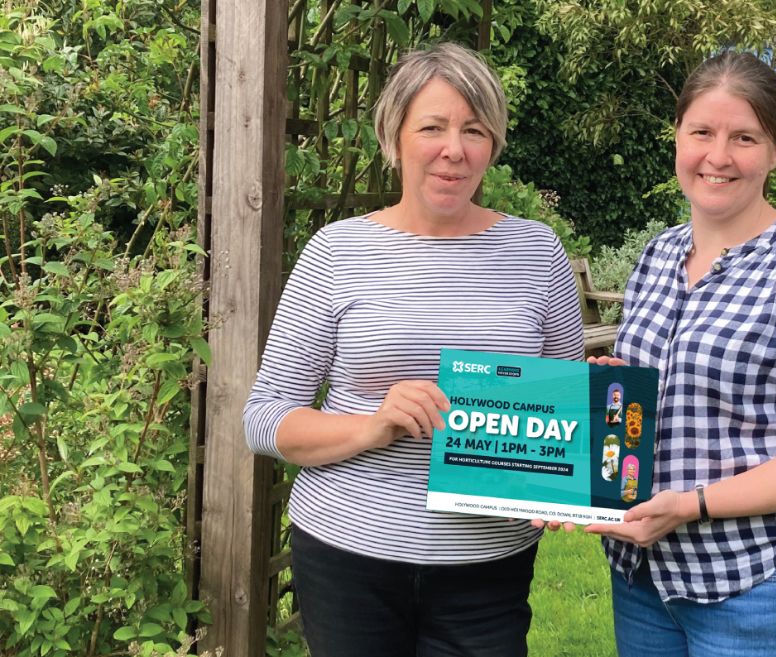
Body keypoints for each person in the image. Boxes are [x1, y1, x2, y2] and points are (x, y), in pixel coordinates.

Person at [243, 42, 584, 657]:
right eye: (433, 127)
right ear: (395, 135)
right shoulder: (337, 252)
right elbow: (265, 419)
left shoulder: (536, 253)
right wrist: (376, 426)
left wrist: (564, 475)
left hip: (488, 566)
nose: (454, 149)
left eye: (474, 130)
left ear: (493, 144)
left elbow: (565, 413)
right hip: (348, 555)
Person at [585, 52, 776, 657]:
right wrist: (609, 392)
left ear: (775, 149)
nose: (717, 157)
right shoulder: (659, 256)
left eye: (743, 137)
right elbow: (664, 391)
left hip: (761, 583)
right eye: (702, 132)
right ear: (677, 139)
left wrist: (693, 505)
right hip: (644, 577)